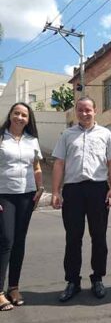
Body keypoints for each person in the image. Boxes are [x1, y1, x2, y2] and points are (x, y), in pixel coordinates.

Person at [51, 96, 111, 302]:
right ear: (76, 112)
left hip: (98, 189)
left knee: (99, 236)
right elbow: (59, 164)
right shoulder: (67, 135)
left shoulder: (105, 134)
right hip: (73, 191)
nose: (84, 113)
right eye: (80, 110)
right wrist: (55, 191)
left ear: (95, 110)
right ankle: (72, 281)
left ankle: (97, 278)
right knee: (73, 237)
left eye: (88, 109)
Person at [0, 103, 44, 311]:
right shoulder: (1, 137)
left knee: (19, 242)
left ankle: (14, 288)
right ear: (10, 115)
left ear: (29, 119)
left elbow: (35, 166)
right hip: (4, 196)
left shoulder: (31, 140)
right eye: (16, 113)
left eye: (24, 115)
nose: (19, 117)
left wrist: (40, 187)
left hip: (26, 195)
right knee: (6, 241)